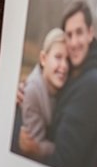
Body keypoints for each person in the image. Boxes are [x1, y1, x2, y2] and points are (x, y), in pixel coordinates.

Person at [19, 0, 97, 167]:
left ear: (91, 33)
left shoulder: (91, 84)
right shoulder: (75, 74)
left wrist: (36, 149)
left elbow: (64, 162)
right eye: (69, 35)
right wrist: (20, 90)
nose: (74, 42)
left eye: (79, 32)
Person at [19, 27, 68, 159]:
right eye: (58, 57)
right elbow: (35, 146)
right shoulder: (32, 92)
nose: (64, 66)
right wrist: (66, 149)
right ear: (43, 58)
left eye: (68, 60)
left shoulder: (65, 89)